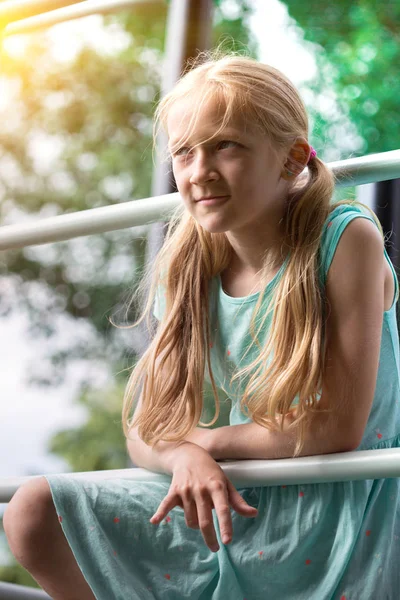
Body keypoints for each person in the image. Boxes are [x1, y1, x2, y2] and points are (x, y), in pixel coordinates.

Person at [4, 51, 400, 600]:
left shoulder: (343, 238)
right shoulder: (189, 262)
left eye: (226, 146)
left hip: (336, 516)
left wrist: (207, 443)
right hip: (228, 500)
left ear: (292, 159)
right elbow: (147, 427)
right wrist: (182, 455)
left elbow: (335, 431)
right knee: (31, 510)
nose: (198, 171)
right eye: (184, 153)